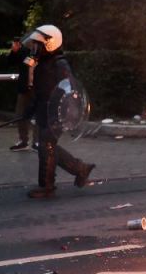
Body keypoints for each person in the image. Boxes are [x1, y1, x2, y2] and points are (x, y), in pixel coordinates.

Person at [23, 25, 94, 199]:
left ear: (50, 44)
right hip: (44, 113)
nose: (35, 48)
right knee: (47, 147)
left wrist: (66, 115)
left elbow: (69, 90)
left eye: (38, 45)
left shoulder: (59, 64)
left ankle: (47, 186)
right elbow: (40, 93)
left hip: (55, 115)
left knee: (46, 146)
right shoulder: (43, 64)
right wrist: (29, 111)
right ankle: (81, 169)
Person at [5, 39, 34, 151]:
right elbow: (10, 62)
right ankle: (23, 140)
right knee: (20, 114)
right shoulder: (24, 52)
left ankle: (37, 142)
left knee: (39, 115)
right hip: (24, 88)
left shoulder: (41, 52)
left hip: (38, 87)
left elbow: (32, 63)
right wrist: (14, 51)